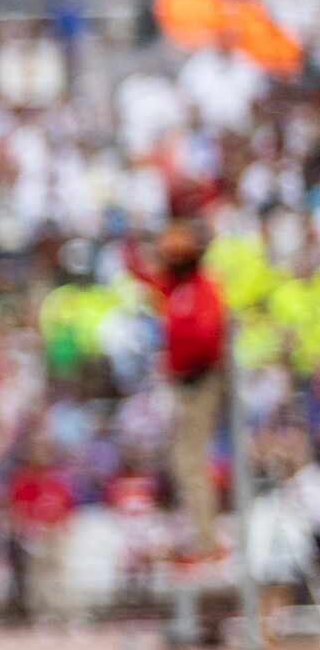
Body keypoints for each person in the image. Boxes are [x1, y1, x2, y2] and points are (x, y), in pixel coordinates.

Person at [126, 225, 227, 557]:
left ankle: (205, 542)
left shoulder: (202, 290)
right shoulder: (177, 289)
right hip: (183, 382)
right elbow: (142, 276)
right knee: (180, 462)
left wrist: (178, 359)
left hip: (199, 382)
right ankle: (197, 538)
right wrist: (131, 241)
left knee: (190, 462)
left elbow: (207, 339)